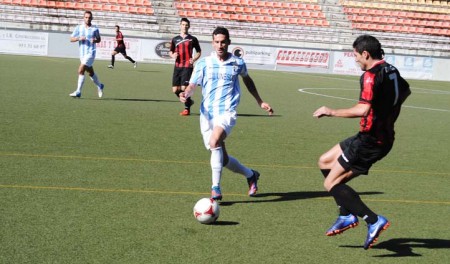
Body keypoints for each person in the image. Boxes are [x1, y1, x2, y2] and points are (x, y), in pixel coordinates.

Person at [313, 35, 411, 250]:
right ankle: (346, 214)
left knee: (331, 183)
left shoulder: (369, 76)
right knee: (325, 161)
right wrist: (387, 114)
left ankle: (373, 220)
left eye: (356, 55)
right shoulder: (391, 69)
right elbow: (405, 91)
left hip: (371, 141)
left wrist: (330, 111)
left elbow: (362, 109)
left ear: (365, 54)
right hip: (372, 136)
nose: (355, 60)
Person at [180, 27, 274, 201]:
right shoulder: (203, 63)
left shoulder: (237, 63)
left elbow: (247, 80)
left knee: (215, 141)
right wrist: (186, 94)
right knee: (222, 159)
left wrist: (260, 101)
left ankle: (215, 188)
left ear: (229, 43)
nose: (220, 45)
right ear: (212, 43)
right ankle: (251, 175)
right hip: (206, 114)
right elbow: (193, 85)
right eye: (217, 42)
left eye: (223, 42)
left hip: (227, 112)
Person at [169, 18, 202, 116]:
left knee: (184, 88)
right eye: (183, 24)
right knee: (175, 90)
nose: (185, 26)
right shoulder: (175, 39)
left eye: (186, 25)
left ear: (189, 26)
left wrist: (194, 59)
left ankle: (187, 109)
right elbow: (170, 51)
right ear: (180, 25)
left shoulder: (193, 39)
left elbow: (199, 51)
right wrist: (172, 55)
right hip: (178, 66)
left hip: (188, 66)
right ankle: (189, 102)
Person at [69, 10, 104, 98]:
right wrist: (78, 38)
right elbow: (71, 39)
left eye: (89, 17)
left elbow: (99, 39)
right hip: (82, 54)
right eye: (86, 17)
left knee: (81, 70)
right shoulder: (79, 28)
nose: (88, 19)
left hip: (91, 53)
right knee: (90, 72)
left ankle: (78, 91)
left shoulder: (95, 28)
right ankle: (100, 85)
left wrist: (95, 40)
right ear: (84, 18)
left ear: (92, 18)